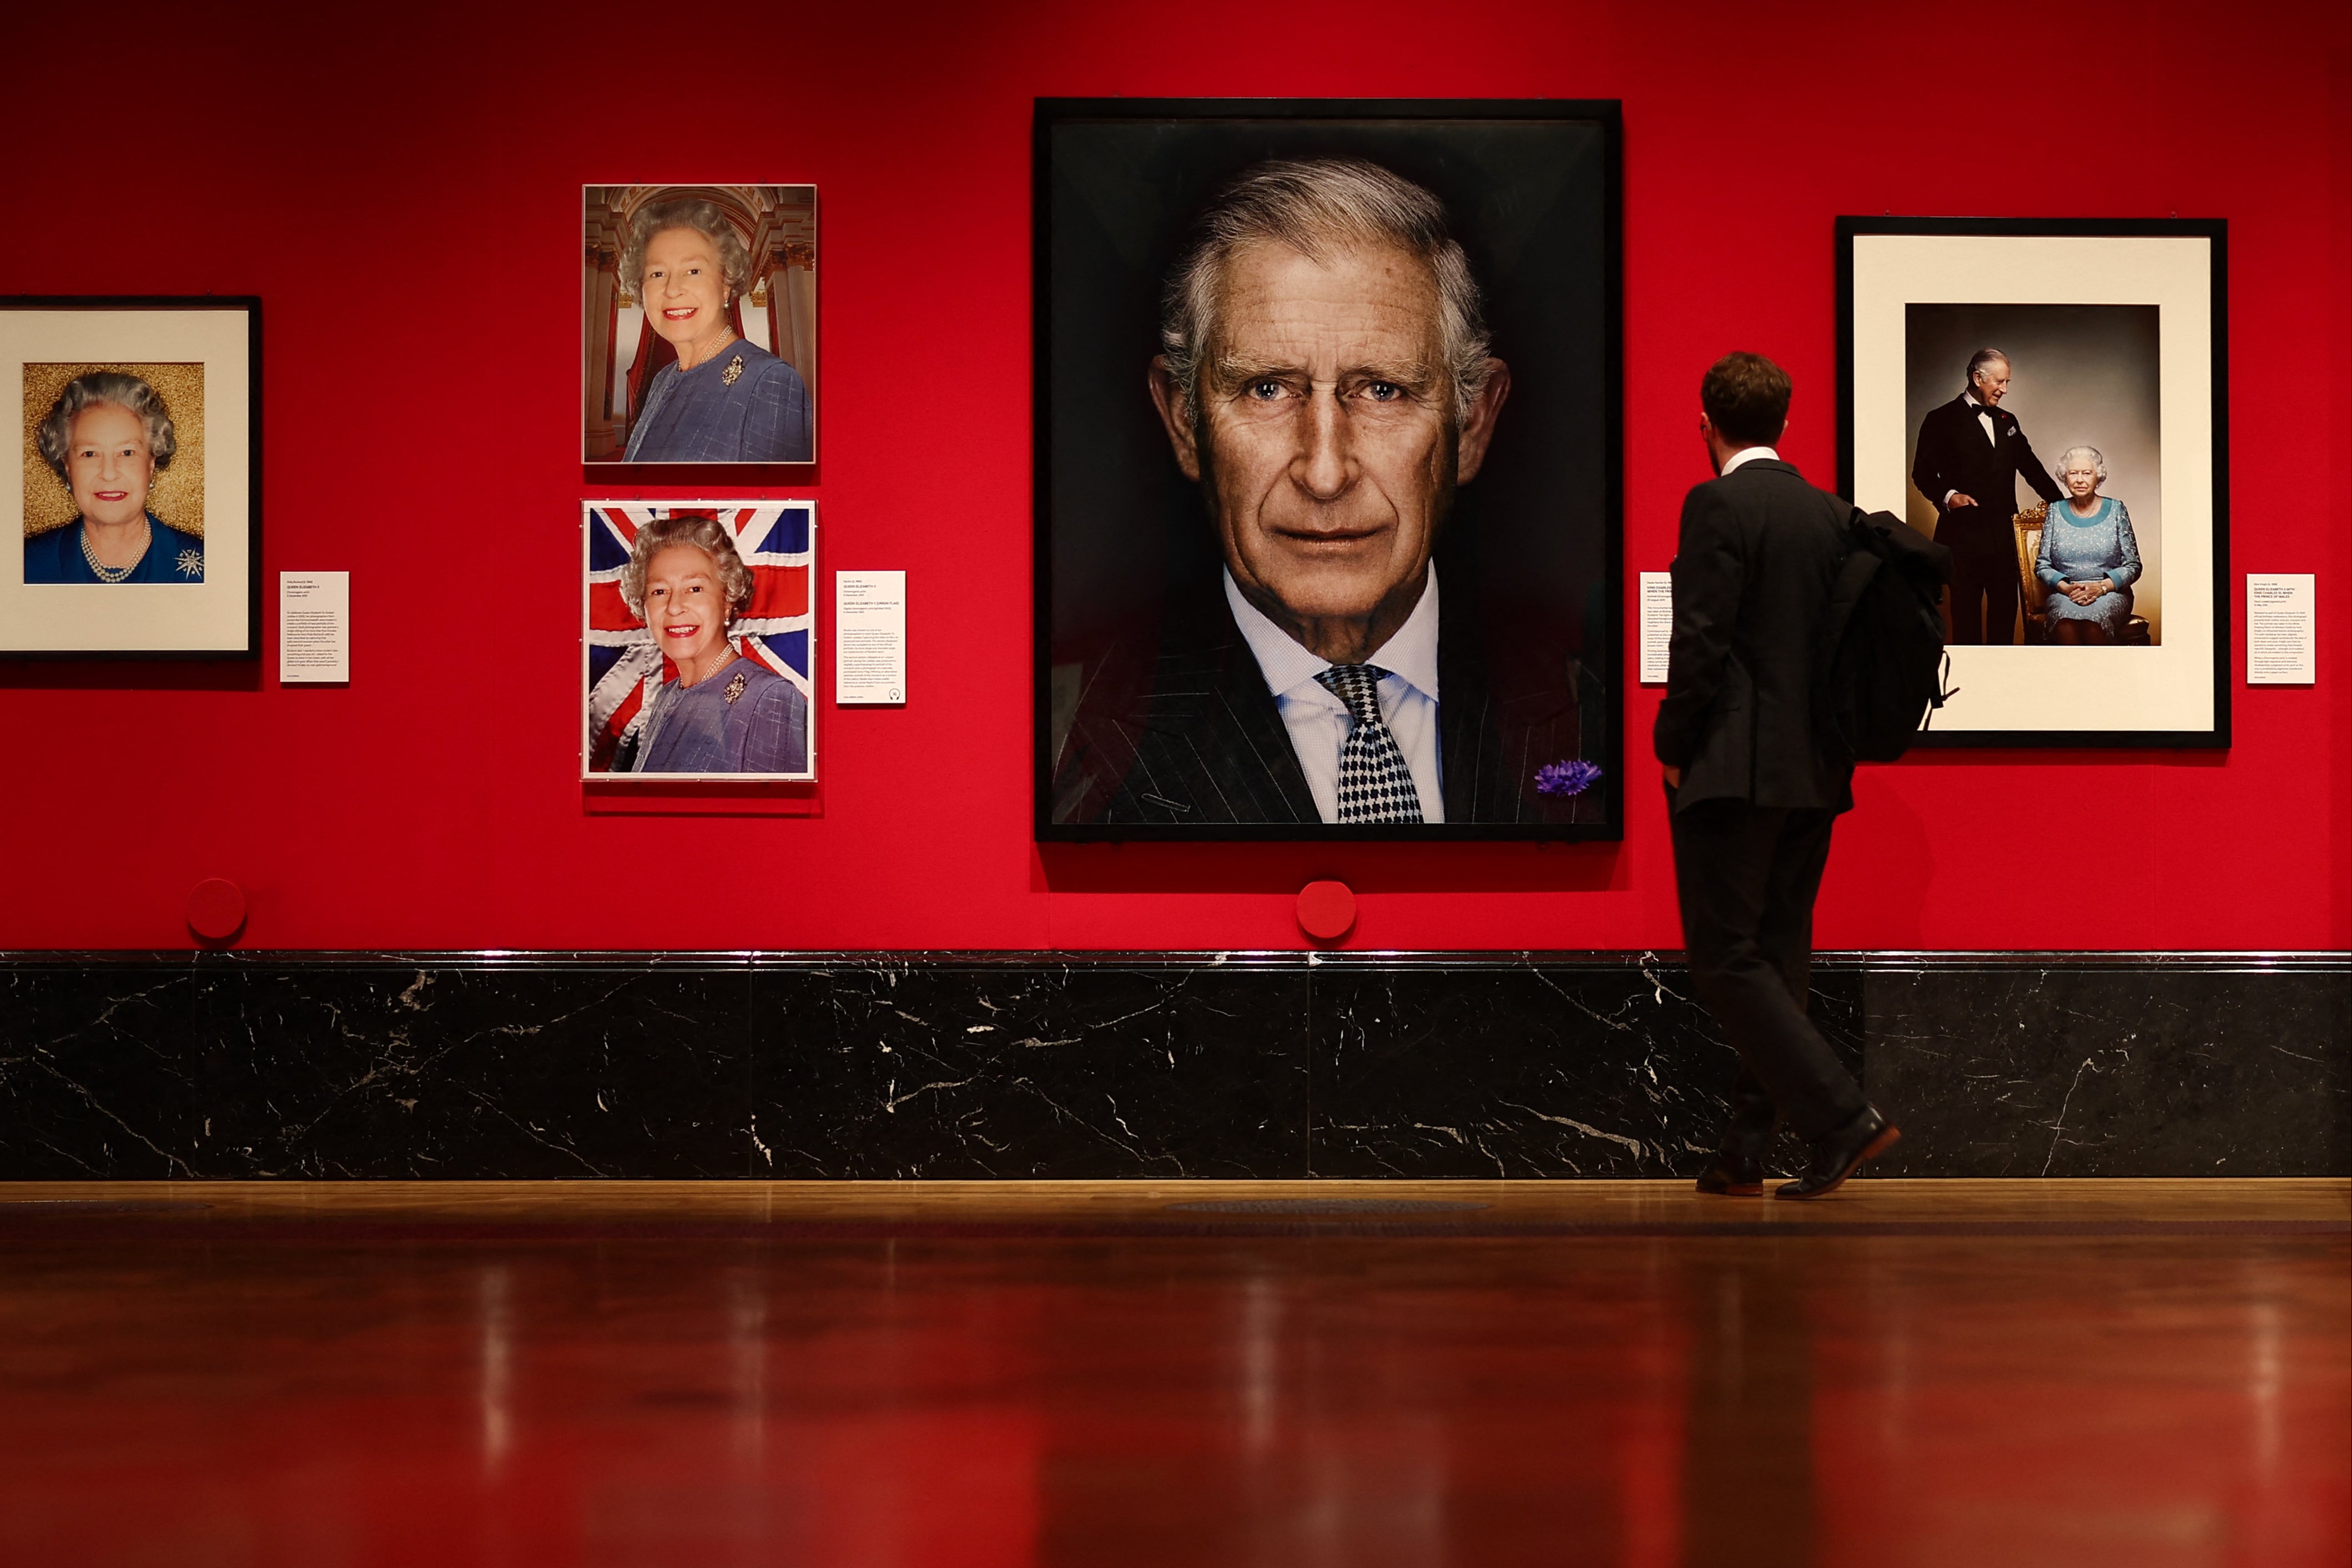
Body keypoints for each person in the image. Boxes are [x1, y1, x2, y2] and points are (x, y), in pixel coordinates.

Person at [1054, 157, 1594, 826]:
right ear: (1184, 422)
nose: (1325, 473)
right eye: (1267, 388)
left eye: (1383, 389)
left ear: (1473, 422)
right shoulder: (1065, 730)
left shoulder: (1593, 701)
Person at [1657, 352, 1899, 1199]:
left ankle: (1841, 1119)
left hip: (1734, 768)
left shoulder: (1716, 503)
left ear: (1705, 423)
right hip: (1818, 772)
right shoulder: (1830, 516)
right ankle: (1744, 1151)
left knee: (1724, 958)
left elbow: (1702, 640)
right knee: (1777, 955)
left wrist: (1671, 744)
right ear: (1787, 423)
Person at [612, 515, 809, 774]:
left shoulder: (770, 697)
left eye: (695, 589)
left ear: (727, 598)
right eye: (659, 591)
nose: (674, 607)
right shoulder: (667, 697)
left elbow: (775, 811)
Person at [621, 197, 812, 463]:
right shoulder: (663, 379)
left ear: (725, 284)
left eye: (693, 270)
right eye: (657, 274)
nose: (673, 289)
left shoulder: (770, 381)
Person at [1909, 349, 2063, 644]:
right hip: (1962, 540)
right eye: (1999, 382)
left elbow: (2032, 468)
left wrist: (2062, 506)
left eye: (2008, 383)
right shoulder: (1940, 418)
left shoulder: (2008, 420)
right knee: (1966, 621)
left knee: (2005, 621)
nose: (2004, 390)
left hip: (2005, 540)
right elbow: (1922, 474)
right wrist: (1949, 496)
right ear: (1978, 378)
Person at [23, 371, 204, 584]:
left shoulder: (209, 566)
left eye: (127, 453)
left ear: (151, 462)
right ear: (67, 465)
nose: (109, 474)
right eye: (90, 454)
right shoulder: (26, 565)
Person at [2034, 446, 2142, 646]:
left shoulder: (2117, 509)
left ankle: (2100, 676)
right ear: (2065, 477)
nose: (2080, 480)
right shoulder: (2055, 511)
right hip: (2066, 593)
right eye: (2073, 473)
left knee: (2093, 623)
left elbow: (2133, 566)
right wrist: (2066, 588)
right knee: (2065, 623)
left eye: (2087, 473)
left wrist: (2101, 587)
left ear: (2097, 477)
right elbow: (2042, 566)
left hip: (2110, 593)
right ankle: (2073, 677)